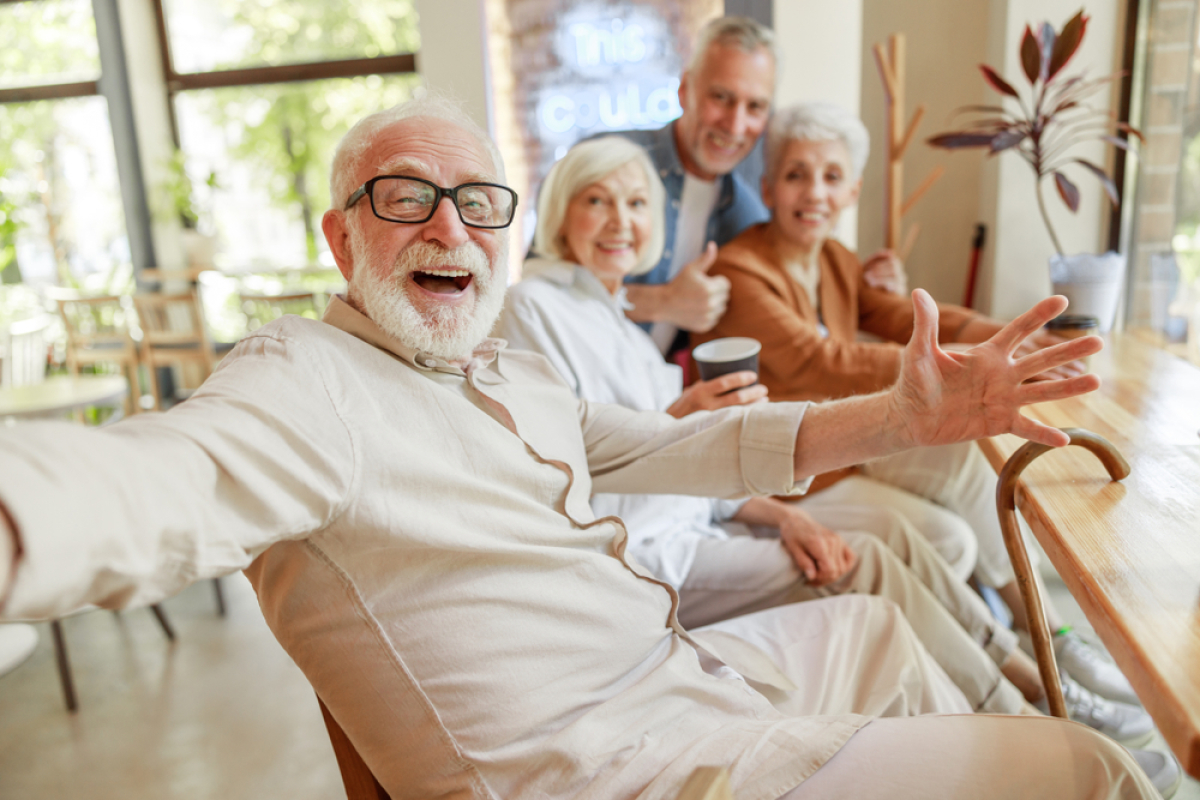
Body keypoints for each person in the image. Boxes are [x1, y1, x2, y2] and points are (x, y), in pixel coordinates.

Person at [0, 96, 1167, 799]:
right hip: (617, 773)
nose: (449, 225)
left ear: (508, 231)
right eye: (404, 197)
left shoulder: (502, 367)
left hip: (677, 686)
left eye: (475, 200)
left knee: (870, 624)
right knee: (1087, 771)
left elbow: (685, 447)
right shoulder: (305, 382)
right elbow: (151, 481)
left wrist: (907, 419)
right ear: (339, 233)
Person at [498, 135, 1068, 720]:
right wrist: (677, 423)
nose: (621, 221)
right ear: (561, 213)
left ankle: (1033, 672)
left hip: (701, 527)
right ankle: (1024, 715)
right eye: (597, 201)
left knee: (894, 530)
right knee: (860, 561)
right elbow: (559, 472)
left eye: (638, 204)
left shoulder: (624, 327)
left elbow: (694, 473)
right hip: (644, 558)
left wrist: (784, 515)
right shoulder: (533, 308)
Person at [692, 101, 1146, 714]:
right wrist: (962, 365)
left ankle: (1050, 635)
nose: (814, 191)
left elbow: (901, 316)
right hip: (799, 469)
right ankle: (1022, 671)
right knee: (949, 536)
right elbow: (829, 361)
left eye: (831, 176)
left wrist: (1010, 335)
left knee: (968, 462)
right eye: (797, 174)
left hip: (851, 446)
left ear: (852, 188)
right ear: (768, 186)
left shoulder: (832, 259)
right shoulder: (743, 274)